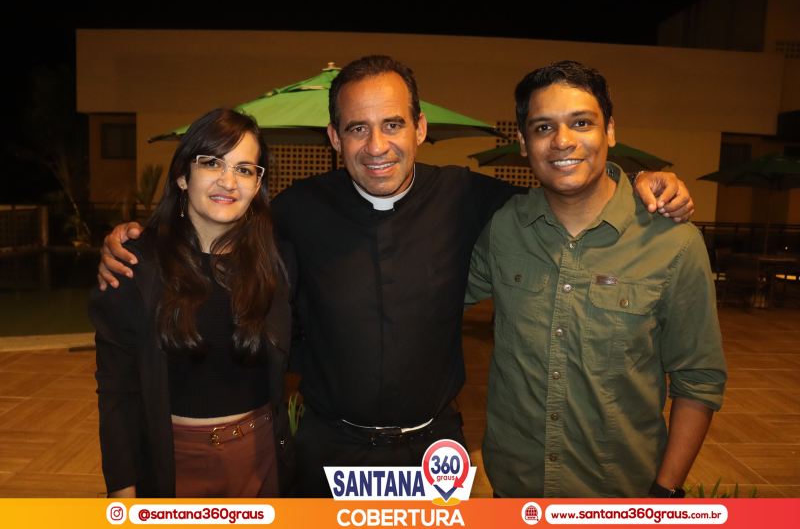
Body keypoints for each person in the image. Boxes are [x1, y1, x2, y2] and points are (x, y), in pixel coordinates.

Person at [96, 55, 696, 497]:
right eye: (357, 128)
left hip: (435, 452)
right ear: (334, 138)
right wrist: (137, 239)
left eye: (392, 124)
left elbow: (565, 188)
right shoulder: (298, 210)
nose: (376, 145)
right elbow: (219, 226)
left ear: (420, 128)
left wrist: (642, 183)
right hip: (329, 447)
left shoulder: (472, 199)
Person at [466, 60, 727, 498]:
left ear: (610, 131)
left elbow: (699, 380)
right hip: (514, 493)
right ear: (524, 143)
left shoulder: (673, 242)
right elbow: (435, 295)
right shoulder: (504, 228)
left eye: (581, 123)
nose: (562, 141)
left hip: (620, 498)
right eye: (543, 127)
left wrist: (665, 493)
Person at [90, 108, 293, 497]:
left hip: (262, 460)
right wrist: (122, 491)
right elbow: (118, 392)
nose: (228, 181)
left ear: (257, 185)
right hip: (174, 465)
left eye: (244, 169)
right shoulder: (135, 265)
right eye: (212, 163)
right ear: (183, 175)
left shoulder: (276, 263)